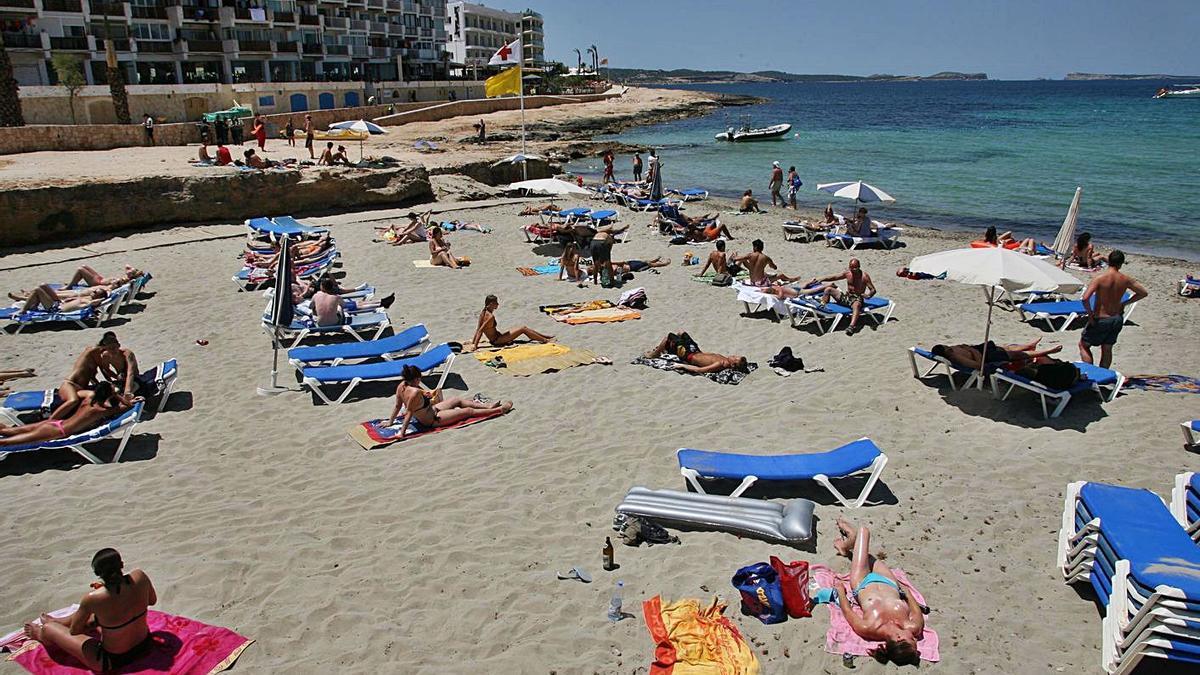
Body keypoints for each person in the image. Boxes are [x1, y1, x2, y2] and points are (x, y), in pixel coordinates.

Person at [19, 548, 157, 673]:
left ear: (97, 573)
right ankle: (59, 621)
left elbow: (75, 631)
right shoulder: (140, 576)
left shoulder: (93, 598)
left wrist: (96, 612)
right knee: (99, 611)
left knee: (49, 628)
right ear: (121, 564)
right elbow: (152, 600)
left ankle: (41, 633)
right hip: (144, 645)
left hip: (110, 660)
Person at [831, 518, 924, 666]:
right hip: (888, 581)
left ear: (898, 639)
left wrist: (840, 591)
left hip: (861, 581)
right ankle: (845, 547)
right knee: (864, 554)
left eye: (912, 641)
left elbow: (848, 611)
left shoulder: (868, 628)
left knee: (863, 533)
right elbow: (915, 609)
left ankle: (846, 544)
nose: (915, 638)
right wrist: (907, 593)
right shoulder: (913, 627)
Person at [386, 364, 511, 438]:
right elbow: (408, 412)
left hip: (432, 410)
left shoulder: (402, 386)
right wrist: (402, 433)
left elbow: (397, 405)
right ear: (416, 379)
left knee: (456, 400)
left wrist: (390, 422)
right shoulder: (414, 392)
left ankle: (488, 406)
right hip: (432, 420)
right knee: (467, 411)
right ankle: (498, 410)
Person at [0, 382, 136, 447]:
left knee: (8, 431)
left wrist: (110, 392)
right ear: (108, 394)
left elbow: (77, 393)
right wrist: (117, 395)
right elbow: (127, 406)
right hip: (59, 430)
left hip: (54, 423)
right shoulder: (100, 410)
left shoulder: (88, 398)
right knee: (6, 442)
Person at [1079, 250, 1148, 368]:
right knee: (1107, 348)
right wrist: (1125, 303)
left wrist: (1090, 315)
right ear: (1121, 264)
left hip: (1101, 318)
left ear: (1108, 261)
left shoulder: (1100, 278)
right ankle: (1103, 375)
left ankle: (1090, 373)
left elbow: (1085, 298)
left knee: (1084, 345)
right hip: (1116, 318)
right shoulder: (1125, 279)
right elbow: (1143, 293)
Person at [813, 258, 877, 335]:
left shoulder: (864, 276)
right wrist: (822, 279)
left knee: (856, 305)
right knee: (828, 289)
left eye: (855, 268)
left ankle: (851, 326)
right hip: (847, 297)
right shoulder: (848, 273)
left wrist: (868, 296)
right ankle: (822, 310)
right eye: (851, 268)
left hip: (857, 298)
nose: (853, 269)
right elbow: (835, 277)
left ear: (859, 267)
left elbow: (873, 289)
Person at [469, 294, 553, 351]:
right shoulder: (490, 317)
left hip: (498, 337)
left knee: (524, 327)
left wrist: (473, 342)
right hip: (497, 340)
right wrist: (475, 346)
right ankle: (545, 340)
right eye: (496, 303)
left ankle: (545, 336)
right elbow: (480, 330)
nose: (498, 304)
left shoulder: (483, 312)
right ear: (491, 304)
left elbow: (478, 328)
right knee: (523, 329)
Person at [645, 331, 749, 375]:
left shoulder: (720, 364)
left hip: (689, 355)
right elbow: (706, 357)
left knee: (669, 337)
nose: (733, 355)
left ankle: (655, 354)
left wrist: (682, 366)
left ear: (732, 364)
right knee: (681, 332)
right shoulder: (724, 358)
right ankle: (669, 347)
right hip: (695, 351)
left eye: (735, 357)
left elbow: (700, 370)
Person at [931, 339, 1063, 370]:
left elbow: (966, 347)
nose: (950, 347)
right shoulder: (957, 358)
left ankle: (1028, 345)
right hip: (986, 358)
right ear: (946, 354)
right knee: (1013, 354)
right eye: (947, 348)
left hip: (981, 350)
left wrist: (971, 349)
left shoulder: (952, 350)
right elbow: (979, 366)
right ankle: (1048, 352)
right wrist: (974, 351)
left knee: (1006, 348)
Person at [310, 276, 394, 326]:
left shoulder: (316, 295)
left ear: (322, 287)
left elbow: (311, 307)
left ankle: (381, 302)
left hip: (320, 323)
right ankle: (381, 303)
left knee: (354, 304)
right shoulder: (336, 297)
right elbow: (345, 306)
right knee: (352, 305)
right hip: (336, 322)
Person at [94, 332, 142, 403]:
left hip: (134, 379)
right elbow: (106, 369)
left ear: (119, 345)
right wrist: (116, 377)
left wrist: (127, 391)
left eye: (114, 347)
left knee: (133, 388)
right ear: (106, 348)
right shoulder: (106, 356)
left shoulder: (127, 354)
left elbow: (130, 372)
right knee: (112, 391)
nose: (113, 350)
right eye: (110, 348)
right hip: (121, 380)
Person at [732, 239, 798, 287]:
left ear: (755, 247)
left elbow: (735, 259)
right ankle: (791, 279)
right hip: (761, 283)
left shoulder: (750, 255)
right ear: (762, 248)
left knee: (744, 260)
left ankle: (734, 271)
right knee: (781, 275)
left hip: (752, 282)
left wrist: (734, 255)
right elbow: (775, 268)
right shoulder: (766, 258)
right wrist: (769, 264)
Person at [10, 285, 106, 315]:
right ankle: (31, 301)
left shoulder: (89, 302)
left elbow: (95, 303)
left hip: (55, 309)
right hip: (59, 303)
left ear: (98, 297)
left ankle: (23, 310)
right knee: (43, 286)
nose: (92, 292)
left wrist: (101, 300)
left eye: (95, 292)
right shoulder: (87, 298)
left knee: (37, 290)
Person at [62, 265, 141, 290]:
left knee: (80, 270)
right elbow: (127, 266)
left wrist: (113, 281)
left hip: (97, 283)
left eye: (131, 271)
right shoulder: (127, 277)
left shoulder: (123, 280)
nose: (129, 269)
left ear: (131, 275)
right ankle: (73, 282)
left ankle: (70, 286)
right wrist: (134, 272)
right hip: (100, 279)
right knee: (84, 266)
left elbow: (113, 286)